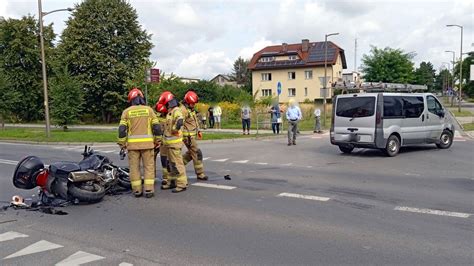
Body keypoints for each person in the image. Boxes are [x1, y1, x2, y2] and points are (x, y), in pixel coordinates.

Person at [118, 88, 161, 198]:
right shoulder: (149, 110)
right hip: (148, 145)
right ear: (141, 98)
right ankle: (148, 190)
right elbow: (156, 127)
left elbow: (122, 130)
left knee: (134, 168)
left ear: (131, 100)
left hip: (132, 146)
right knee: (149, 167)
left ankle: (137, 190)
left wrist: (122, 144)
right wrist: (158, 140)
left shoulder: (126, 112)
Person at [159, 92, 188, 193]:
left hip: (174, 145)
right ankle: (171, 182)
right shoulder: (170, 112)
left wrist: (175, 129)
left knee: (177, 164)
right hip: (169, 145)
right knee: (171, 164)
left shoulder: (176, 111)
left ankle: (181, 184)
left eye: (165, 104)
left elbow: (180, 120)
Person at [181, 90, 208, 181]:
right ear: (187, 102)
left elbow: (194, 121)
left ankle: (176, 165)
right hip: (187, 137)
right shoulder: (183, 110)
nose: (194, 105)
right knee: (197, 153)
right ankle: (200, 173)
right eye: (192, 103)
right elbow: (180, 123)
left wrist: (198, 130)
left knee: (191, 153)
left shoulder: (190, 110)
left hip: (191, 136)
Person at [154, 100, 169, 188]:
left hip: (163, 140)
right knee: (152, 159)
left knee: (164, 159)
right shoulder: (155, 115)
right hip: (156, 140)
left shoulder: (169, 116)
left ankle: (165, 177)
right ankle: (152, 176)